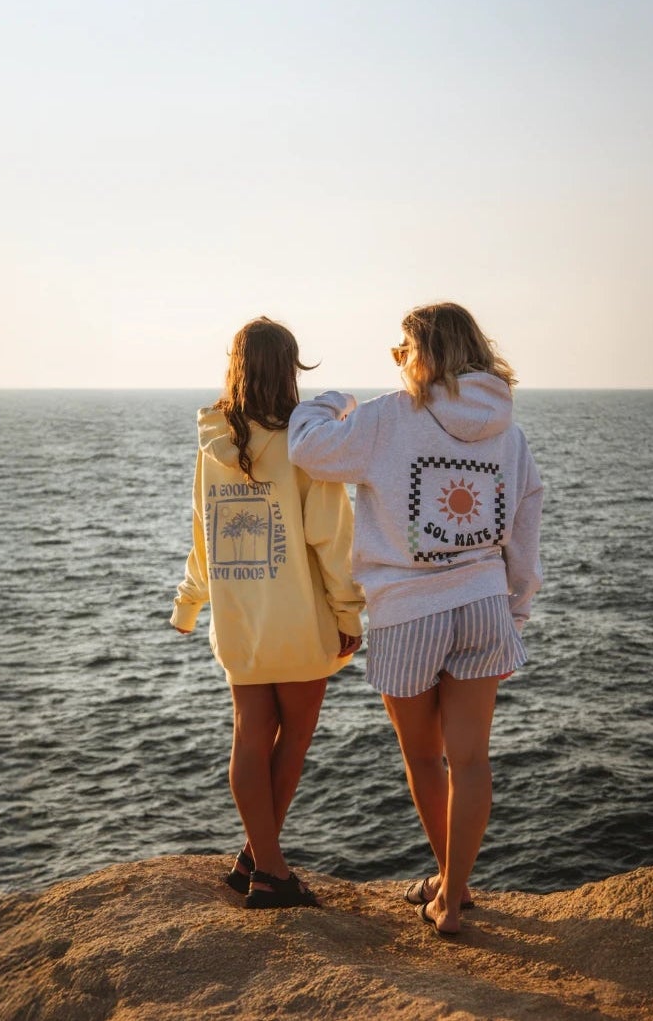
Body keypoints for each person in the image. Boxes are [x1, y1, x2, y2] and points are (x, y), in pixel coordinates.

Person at [288, 302, 543, 935]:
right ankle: (452, 894)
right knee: (472, 761)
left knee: (426, 760)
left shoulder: (385, 417)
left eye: (403, 347)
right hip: (485, 605)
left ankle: (449, 891)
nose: (396, 358)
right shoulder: (507, 432)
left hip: (408, 612)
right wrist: (517, 608)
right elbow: (527, 519)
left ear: (425, 351)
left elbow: (307, 449)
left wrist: (331, 402)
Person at [172, 317, 364, 908]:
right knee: (293, 740)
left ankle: (256, 859)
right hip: (300, 621)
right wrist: (350, 615)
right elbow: (331, 538)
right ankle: (270, 871)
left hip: (238, 622)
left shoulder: (211, 438)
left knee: (249, 738)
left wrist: (188, 604)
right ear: (288, 370)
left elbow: (205, 534)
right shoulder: (303, 443)